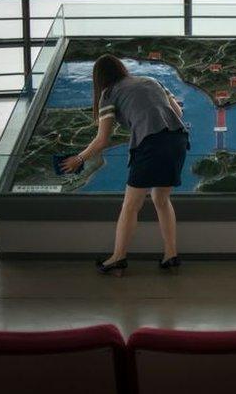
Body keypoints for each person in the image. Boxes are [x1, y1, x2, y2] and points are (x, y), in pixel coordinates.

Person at [60, 54, 189, 274]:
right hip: (178, 139)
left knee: (130, 205)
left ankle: (118, 257)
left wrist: (79, 159)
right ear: (121, 68)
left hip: (151, 144)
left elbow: (102, 140)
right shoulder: (151, 80)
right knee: (161, 199)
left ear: (99, 78)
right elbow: (178, 112)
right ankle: (171, 255)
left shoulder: (108, 94)